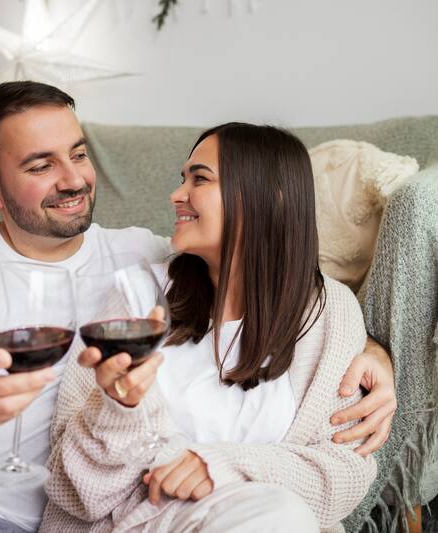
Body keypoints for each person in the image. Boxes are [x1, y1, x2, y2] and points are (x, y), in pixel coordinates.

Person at [0, 82, 394, 532]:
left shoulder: (147, 262)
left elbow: (270, 284)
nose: (73, 178)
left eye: (79, 154)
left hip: (79, 512)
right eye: (41, 164)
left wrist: (372, 351)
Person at [42, 123, 378, 533]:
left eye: (199, 178)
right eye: (182, 178)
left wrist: (217, 465)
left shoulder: (328, 311)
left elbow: (346, 470)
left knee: (280, 516)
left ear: (267, 197)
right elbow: (71, 489)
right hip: (145, 525)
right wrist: (118, 408)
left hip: (274, 522)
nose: (177, 194)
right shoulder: (138, 298)